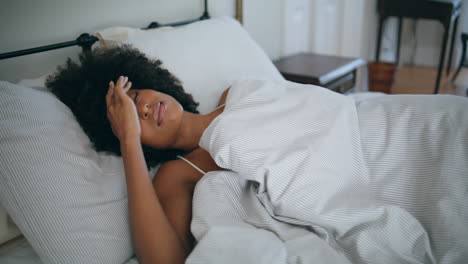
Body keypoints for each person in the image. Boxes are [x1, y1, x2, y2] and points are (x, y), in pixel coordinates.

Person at [46, 45, 230, 264]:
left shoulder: (236, 94)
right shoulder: (177, 175)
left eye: (135, 96)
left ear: (152, 84)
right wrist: (129, 139)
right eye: (132, 117)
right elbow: (165, 261)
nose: (143, 109)